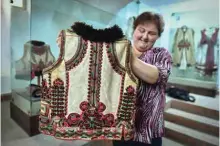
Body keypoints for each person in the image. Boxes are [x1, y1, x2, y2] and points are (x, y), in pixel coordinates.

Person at [113, 11, 172, 146]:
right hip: (121, 128)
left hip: (148, 131)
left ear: (157, 37)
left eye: (152, 33)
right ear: (134, 30)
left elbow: (155, 76)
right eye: (141, 30)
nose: (145, 36)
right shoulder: (117, 53)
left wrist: (126, 55)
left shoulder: (161, 55)